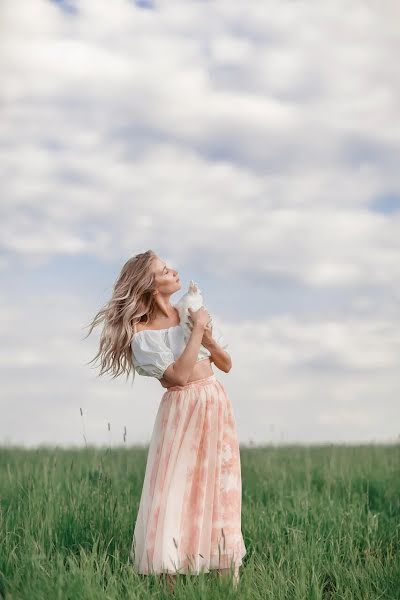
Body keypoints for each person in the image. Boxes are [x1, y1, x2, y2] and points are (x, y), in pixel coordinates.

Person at [85, 250, 246, 591]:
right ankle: (170, 580)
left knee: (220, 485)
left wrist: (206, 334)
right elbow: (178, 377)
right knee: (176, 491)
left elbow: (226, 364)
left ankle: (227, 581)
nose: (173, 270)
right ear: (148, 282)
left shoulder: (187, 311)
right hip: (182, 411)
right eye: (163, 269)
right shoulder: (142, 333)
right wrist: (196, 329)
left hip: (214, 401)